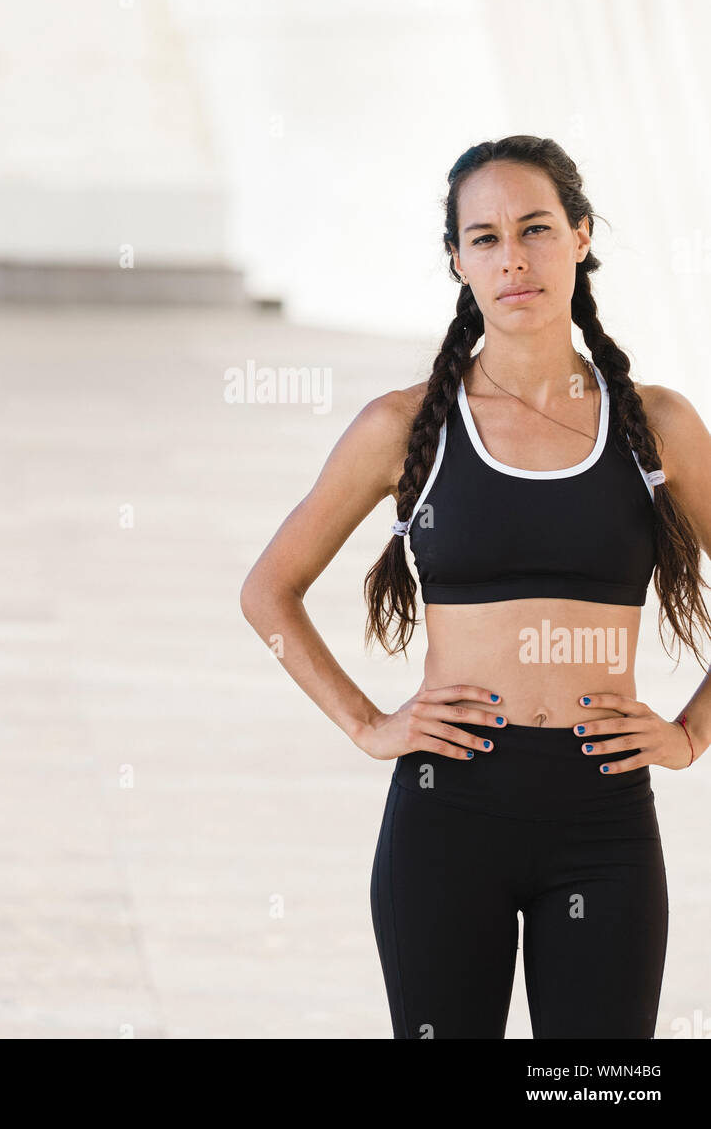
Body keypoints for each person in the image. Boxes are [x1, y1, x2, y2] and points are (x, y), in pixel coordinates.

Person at [239, 135, 711, 1039]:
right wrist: (369, 724)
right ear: (458, 261)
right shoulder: (403, 425)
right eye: (485, 238)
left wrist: (690, 734)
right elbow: (269, 592)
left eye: (535, 229)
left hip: (603, 822)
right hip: (446, 817)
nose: (514, 258)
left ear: (580, 238)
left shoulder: (658, 425)